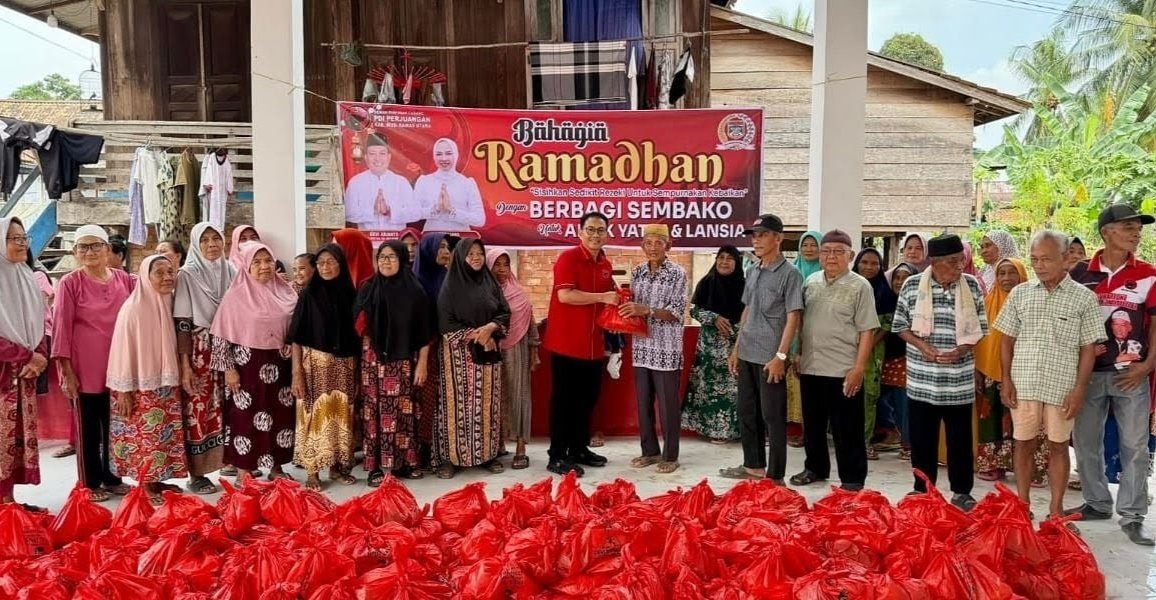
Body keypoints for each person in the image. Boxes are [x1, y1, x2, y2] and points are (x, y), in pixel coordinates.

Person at [994, 231, 1104, 524]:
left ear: (1065, 259)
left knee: (1058, 445)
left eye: (1046, 259)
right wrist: (1006, 380)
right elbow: (1006, 340)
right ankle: (1022, 505)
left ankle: (1056, 510)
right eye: (1034, 259)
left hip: (1062, 385)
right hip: (1025, 381)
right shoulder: (1020, 293)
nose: (1039, 265)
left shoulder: (1084, 298)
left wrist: (1079, 390)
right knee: (1023, 443)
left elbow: (1088, 349)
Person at [1066, 204, 1156, 546]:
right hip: (1087, 373)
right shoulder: (1079, 274)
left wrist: (1147, 366)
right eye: (1128, 227)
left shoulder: (1149, 274)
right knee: (1086, 441)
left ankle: (1132, 515)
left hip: (1131, 373)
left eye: (1138, 228)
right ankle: (1097, 503)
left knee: (1135, 446)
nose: (1136, 233)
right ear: (1107, 232)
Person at [893, 233, 988, 511]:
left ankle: (962, 492)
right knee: (922, 440)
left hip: (958, 380)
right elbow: (900, 326)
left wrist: (962, 349)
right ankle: (923, 490)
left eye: (961, 260)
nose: (960, 266)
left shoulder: (971, 285)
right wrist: (923, 347)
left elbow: (981, 328)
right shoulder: (912, 285)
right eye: (954, 261)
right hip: (922, 380)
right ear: (935, 262)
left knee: (960, 441)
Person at [790, 230, 879, 491]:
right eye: (826, 251)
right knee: (813, 425)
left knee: (847, 428)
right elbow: (802, 322)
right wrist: (797, 352)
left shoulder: (860, 286)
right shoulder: (811, 282)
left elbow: (867, 330)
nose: (832, 256)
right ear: (820, 255)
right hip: (811, 365)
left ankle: (852, 478)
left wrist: (859, 368)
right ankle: (815, 468)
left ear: (850, 256)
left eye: (839, 252)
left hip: (844, 369)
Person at [53, 224, 137, 502]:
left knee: (115, 425)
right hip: (84, 369)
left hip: (118, 367)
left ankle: (113, 477)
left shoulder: (124, 280)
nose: (90, 252)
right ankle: (89, 483)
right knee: (89, 429)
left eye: (96, 245)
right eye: (83, 247)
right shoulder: (70, 283)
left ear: (107, 249)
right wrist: (66, 372)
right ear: (75, 252)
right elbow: (61, 328)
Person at [718, 215, 803, 484]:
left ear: (778, 238)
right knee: (747, 412)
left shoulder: (790, 274)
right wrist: (736, 348)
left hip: (770, 357)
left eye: (763, 234)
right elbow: (748, 309)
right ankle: (753, 466)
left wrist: (781, 356)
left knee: (772, 417)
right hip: (747, 352)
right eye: (754, 235)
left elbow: (794, 317)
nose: (756, 240)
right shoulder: (753, 269)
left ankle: (775, 476)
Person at [210, 242, 297, 482]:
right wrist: (229, 369)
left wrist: (291, 343)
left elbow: (297, 326)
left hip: (281, 366)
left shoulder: (287, 292)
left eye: (268, 261)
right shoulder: (235, 296)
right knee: (245, 418)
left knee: (280, 417)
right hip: (246, 366)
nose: (264, 266)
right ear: (246, 266)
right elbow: (221, 336)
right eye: (256, 262)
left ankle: (277, 468)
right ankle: (244, 471)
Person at [542, 211, 618, 477]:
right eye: (590, 229)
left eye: (600, 230)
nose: (595, 235)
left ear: (606, 234)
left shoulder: (605, 263)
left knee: (587, 400)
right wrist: (603, 297)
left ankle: (578, 449)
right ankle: (557, 455)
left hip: (594, 345)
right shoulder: (568, 258)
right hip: (567, 344)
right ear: (580, 232)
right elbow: (565, 295)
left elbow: (611, 297)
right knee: (564, 401)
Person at [107, 255, 188, 504]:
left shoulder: (168, 303)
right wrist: (123, 391)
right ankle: (145, 484)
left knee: (161, 436)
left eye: (170, 272)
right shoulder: (133, 309)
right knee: (144, 436)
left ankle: (157, 480)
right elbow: (122, 352)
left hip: (165, 383)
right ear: (145, 276)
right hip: (138, 386)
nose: (167, 278)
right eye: (159, 273)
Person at [354, 241, 433, 484]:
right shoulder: (368, 288)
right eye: (382, 257)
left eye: (391, 257)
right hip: (373, 361)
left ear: (402, 260)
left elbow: (425, 332)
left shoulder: (415, 292)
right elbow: (358, 325)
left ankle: (405, 462)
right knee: (374, 412)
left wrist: (422, 363)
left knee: (403, 411)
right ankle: (376, 466)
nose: (385, 262)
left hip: (403, 362)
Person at [434, 238, 511, 478]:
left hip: (488, 355)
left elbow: (504, 312)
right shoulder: (450, 287)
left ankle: (487, 455)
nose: (476, 258)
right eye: (471, 254)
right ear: (460, 258)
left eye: (480, 253)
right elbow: (445, 323)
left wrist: (490, 328)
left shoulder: (490, 283)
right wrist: (478, 336)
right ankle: (451, 459)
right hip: (458, 357)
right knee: (455, 407)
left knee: (486, 406)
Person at [288, 244, 360, 491]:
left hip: (344, 365)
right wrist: (296, 373)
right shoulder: (309, 294)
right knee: (314, 417)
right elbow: (296, 337)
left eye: (330, 262)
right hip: (315, 366)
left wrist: (357, 373)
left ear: (341, 264)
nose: (325, 267)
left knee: (341, 416)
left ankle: (336, 467)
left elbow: (356, 336)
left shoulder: (350, 294)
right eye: (320, 263)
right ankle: (312, 472)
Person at [618, 224, 688, 474]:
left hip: (666, 348)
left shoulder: (677, 273)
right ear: (642, 246)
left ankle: (670, 455)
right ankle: (649, 451)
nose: (653, 247)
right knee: (643, 403)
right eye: (648, 243)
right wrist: (621, 316)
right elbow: (631, 307)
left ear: (668, 245)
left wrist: (646, 310)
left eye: (659, 242)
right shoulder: (637, 272)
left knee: (668, 405)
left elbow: (676, 312)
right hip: (642, 347)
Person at [173, 222, 234, 494]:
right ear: (196, 245)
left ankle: (229, 462)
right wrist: (185, 365)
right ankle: (196, 474)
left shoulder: (230, 271)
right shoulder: (187, 275)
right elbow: (183, 322)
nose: (212, 244)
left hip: (228, 345)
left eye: (216, 238)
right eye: (205, 240)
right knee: (199, 410)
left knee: (227, 407)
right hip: (200, 350)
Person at [0, 216, 46, 511]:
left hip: (25, 372)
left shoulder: (26, 276)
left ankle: (8, 500)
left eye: (23, 238)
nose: (22, 244)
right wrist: (26, 355)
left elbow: (39, 321)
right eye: (14, 239)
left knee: (17, 437)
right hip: (4, 372)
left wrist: (39, 355)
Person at [972, 257, 1031, 482]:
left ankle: (1028, 468)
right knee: (991, 419)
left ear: (1022, 275)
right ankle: (993, 464)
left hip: (1024, 371)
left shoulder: (1031, 301)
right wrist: (978, 370)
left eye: (1012, 272)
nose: (1006, 278)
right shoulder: (987, 302)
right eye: (1001, 273)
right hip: (989, 371)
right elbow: (979, 340)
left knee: (1026, 419)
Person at [683, 246, 745, 444]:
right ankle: (712, 430)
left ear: (737, 263)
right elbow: (693, 310)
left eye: (729, 259)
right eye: (721, 257)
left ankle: (734, 432)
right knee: (708, 389)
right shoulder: (707, 282)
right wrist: (713, 317)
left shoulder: (745, 285)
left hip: (734, 346)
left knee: (734, 390)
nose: (724, 262)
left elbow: (750, 314)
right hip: (709, 348)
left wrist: (734, 329)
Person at [487, 248, 540, 470]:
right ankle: (497, 446)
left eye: (505, 264)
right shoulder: (484, 292)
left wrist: (534, 350)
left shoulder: (518, 292)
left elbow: (530, 320)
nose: (501, 269)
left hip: (517, 349)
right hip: (490, 351)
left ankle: (520, 447)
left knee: (519, 396)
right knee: (494, 399)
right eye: (496, 264)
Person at [412, 232, 453, 467]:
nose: (445, 252)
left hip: (444, 347)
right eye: (440, 247)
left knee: (440, 399)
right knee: (420, 399)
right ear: (428, 251)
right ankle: (420, 448)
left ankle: (437, 448)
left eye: (447, 248)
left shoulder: (449, 279)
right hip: (420, 350)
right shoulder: (414, 282)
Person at [852, 248, 895, 461]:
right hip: (845, 350)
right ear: (857, 264)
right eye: (865, 262)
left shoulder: (884, 292)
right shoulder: (848, 287)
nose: (869, 267)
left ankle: (864, 442)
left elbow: (887, 324)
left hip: (872, 353)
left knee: (869, 397)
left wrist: (867, 345)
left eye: (874, 263)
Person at [879, 263, 918, 461]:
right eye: (897, 277)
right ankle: (891, 434)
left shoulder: (918, 304)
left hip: (907, 359)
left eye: (906, 278)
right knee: (883, 400)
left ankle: (908, 443)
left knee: (904, 404)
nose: (900, 282)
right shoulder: (885, 300)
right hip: (884, 359)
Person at [787, 230, 821, 446]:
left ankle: (812, 434)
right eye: (805, 245)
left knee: (812, 390)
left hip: (816, 337)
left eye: (813, 245)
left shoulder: (825, 274)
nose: (808, 249)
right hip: (790, 336)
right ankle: (800, 431)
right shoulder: (792, 272)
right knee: (795, 388)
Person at [344, 134, 420, 231]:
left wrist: (389, 210)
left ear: (389, 157)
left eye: (382, 153)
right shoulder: (356, 182)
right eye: (372, 154)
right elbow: (348, 213)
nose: (377, 158)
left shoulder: (401, 182)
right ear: (366, 157)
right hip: (367, 238)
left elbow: (415, 213)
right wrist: (372, 211)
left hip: (396, 239)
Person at [416, 138, 487, 233]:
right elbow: (413, 213)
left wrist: (452, 211)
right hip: (432, 237)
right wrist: (435, 209)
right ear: (434, 156)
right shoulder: (424, 181)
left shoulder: (467, 183)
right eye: (439, 154)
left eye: (448, 153)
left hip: (461, 239)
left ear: (456, 154)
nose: (444, 158)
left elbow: (479, 220)